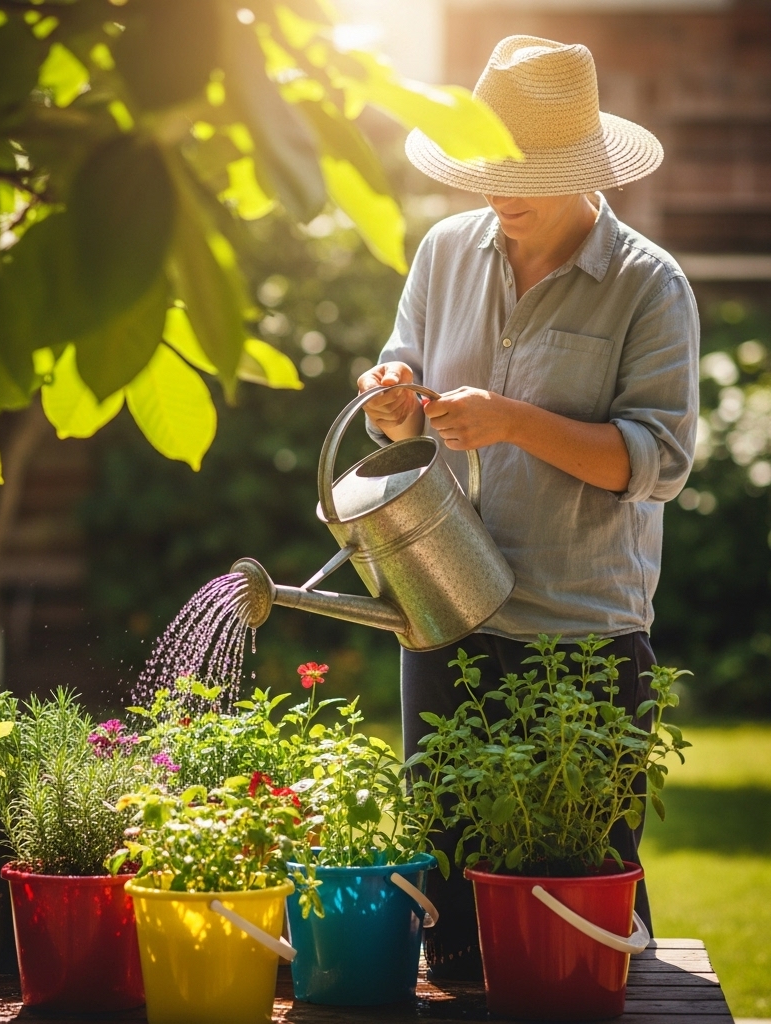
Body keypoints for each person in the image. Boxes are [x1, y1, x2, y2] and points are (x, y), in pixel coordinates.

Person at [358, 35, 699, 978]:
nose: (500, 191)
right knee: (454, 938)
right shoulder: (444, 251)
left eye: (527, 175)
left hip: (581, 634)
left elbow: (658, 463)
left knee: (578, 921)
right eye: (488, 170)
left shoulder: (648, 285)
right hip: (446, 614)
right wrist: (392, 399)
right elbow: (405, 400)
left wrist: (512, 420)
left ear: (585, 172)